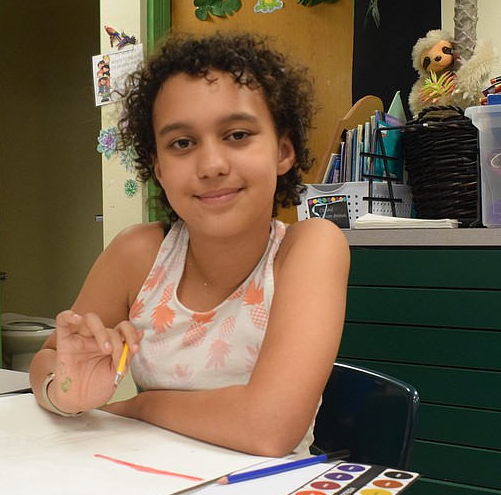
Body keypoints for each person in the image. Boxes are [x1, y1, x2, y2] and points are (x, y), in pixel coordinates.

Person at [30, 32, 350, 458]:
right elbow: (49, 360)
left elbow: (268, 430)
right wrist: (66, 392)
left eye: (237, 135)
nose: (212, 165)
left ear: (284, 150)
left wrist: (140, 405)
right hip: (144, 485)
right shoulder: (136, 255)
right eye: (182, 143)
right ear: (159, 168)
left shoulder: (310, 247)